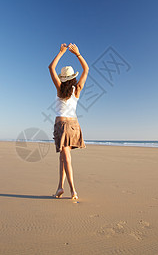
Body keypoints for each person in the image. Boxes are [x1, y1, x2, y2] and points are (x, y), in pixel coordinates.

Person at [48, 43, 89, 200]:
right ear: (73, 78)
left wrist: (60, 53)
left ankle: (73, 190)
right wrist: (78, 54)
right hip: (74, 126)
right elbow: (86, 69)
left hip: (62, 125)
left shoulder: (59, 89)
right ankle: (60, 187)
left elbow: (51, 68)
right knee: (63, 157)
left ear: (63, 78)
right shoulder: (77, 89)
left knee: (66, 158)